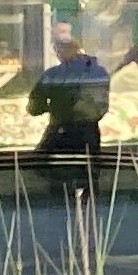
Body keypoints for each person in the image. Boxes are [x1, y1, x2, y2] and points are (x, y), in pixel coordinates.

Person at [30, 42, 111, 188]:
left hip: (60, 133)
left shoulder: (53, 74)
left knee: (58, 183)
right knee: (89, 181)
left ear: (62, 55)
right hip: (90, 134)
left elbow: (34, 108)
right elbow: (102, 105)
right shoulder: (101, 73)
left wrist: (51, 108)